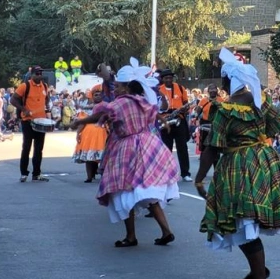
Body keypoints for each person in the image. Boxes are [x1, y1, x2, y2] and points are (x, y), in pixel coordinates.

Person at [200, 48, 280, 279]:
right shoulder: (260, 101)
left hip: (239, 166)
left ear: (226, 81)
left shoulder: (224, 109)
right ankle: (258, 272)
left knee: (243, 222)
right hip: (265, 162)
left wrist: (199, 178)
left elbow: (213, 147)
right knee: (244, 222)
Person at [72, 58, 179, 248]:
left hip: (128, 147)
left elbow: (101, 114)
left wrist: (81, 121)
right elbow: (155, 112)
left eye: (118, 86)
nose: (115, 89)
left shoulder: (121, 103)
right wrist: (162, 121)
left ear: (126, 87)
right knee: (148, 192)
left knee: (125, 191)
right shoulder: (141, 101)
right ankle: (166, 231)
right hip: (148, 144)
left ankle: (131, 236)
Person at [10, 66, 51, 182]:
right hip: (28, 121)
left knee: (39, 149)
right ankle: (24, 173)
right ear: (31, 74)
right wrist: (24, 109)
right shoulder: (25, 86)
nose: (39, 75)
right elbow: (13, 100)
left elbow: (47, 99)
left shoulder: (45, 86)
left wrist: (46, 108)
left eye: (41, 73)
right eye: (37, 73)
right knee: (26, 147)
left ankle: (36, 174)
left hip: (41, 121)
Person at [158, 69, 192, 181]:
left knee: (182, 147)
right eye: (166, 78)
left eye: (170, 78)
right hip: (165, 121)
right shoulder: (158, 90)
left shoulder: (180, 88)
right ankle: (166, 173)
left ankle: (185, 173)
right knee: (166, 148)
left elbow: (186, 103)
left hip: (178, 119)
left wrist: (185, 108)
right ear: (162, 79)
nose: (168, 80)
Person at [193, 84, 225, 188]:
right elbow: (198, 111)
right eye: (211, 89)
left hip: (216, 125)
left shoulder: (221, 100)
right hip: (205, 125)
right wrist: (196, 116)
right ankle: (203, 172)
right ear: (208, 91)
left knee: (215, 149)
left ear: (217, 90)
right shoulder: (203, 100)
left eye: (214, 89)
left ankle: (216, 172)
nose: (212, 91)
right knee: (204, 150)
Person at [72, 89, 108, 183]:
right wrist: (78, 133)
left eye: (99, 94)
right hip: (88, 134)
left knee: (103, 156)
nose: (98, 96)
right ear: (92, 97)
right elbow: (82, 123)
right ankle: (89, 177)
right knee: (89, 156)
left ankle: (104, 175)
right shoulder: (87, 109)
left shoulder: (107, 106)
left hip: (103, 133)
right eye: (96, 95)